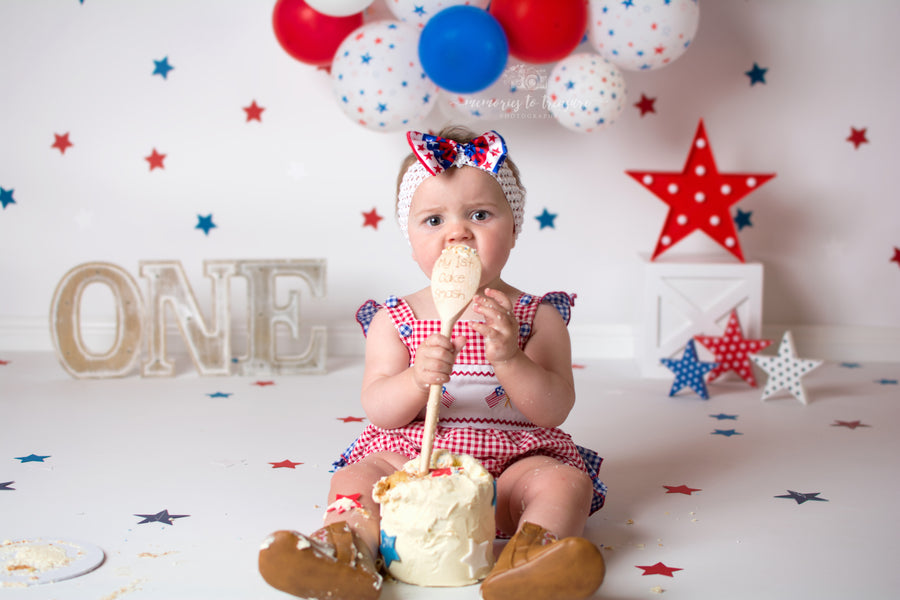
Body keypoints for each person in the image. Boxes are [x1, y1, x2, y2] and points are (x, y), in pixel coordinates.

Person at [259, 126, 606, 600]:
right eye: (433, 220)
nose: (457, 232)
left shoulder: (536, 316)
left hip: (509, 469)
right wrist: (415, 378)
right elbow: (380, 409)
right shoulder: (396, 319)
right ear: (409, 235)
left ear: (514, 227)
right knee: (356, 476)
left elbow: (552, 409)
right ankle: (346, 551)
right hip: (412, 467)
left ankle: (531, 557)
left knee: (565, 482)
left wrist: (508, 358)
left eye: (479, 215)